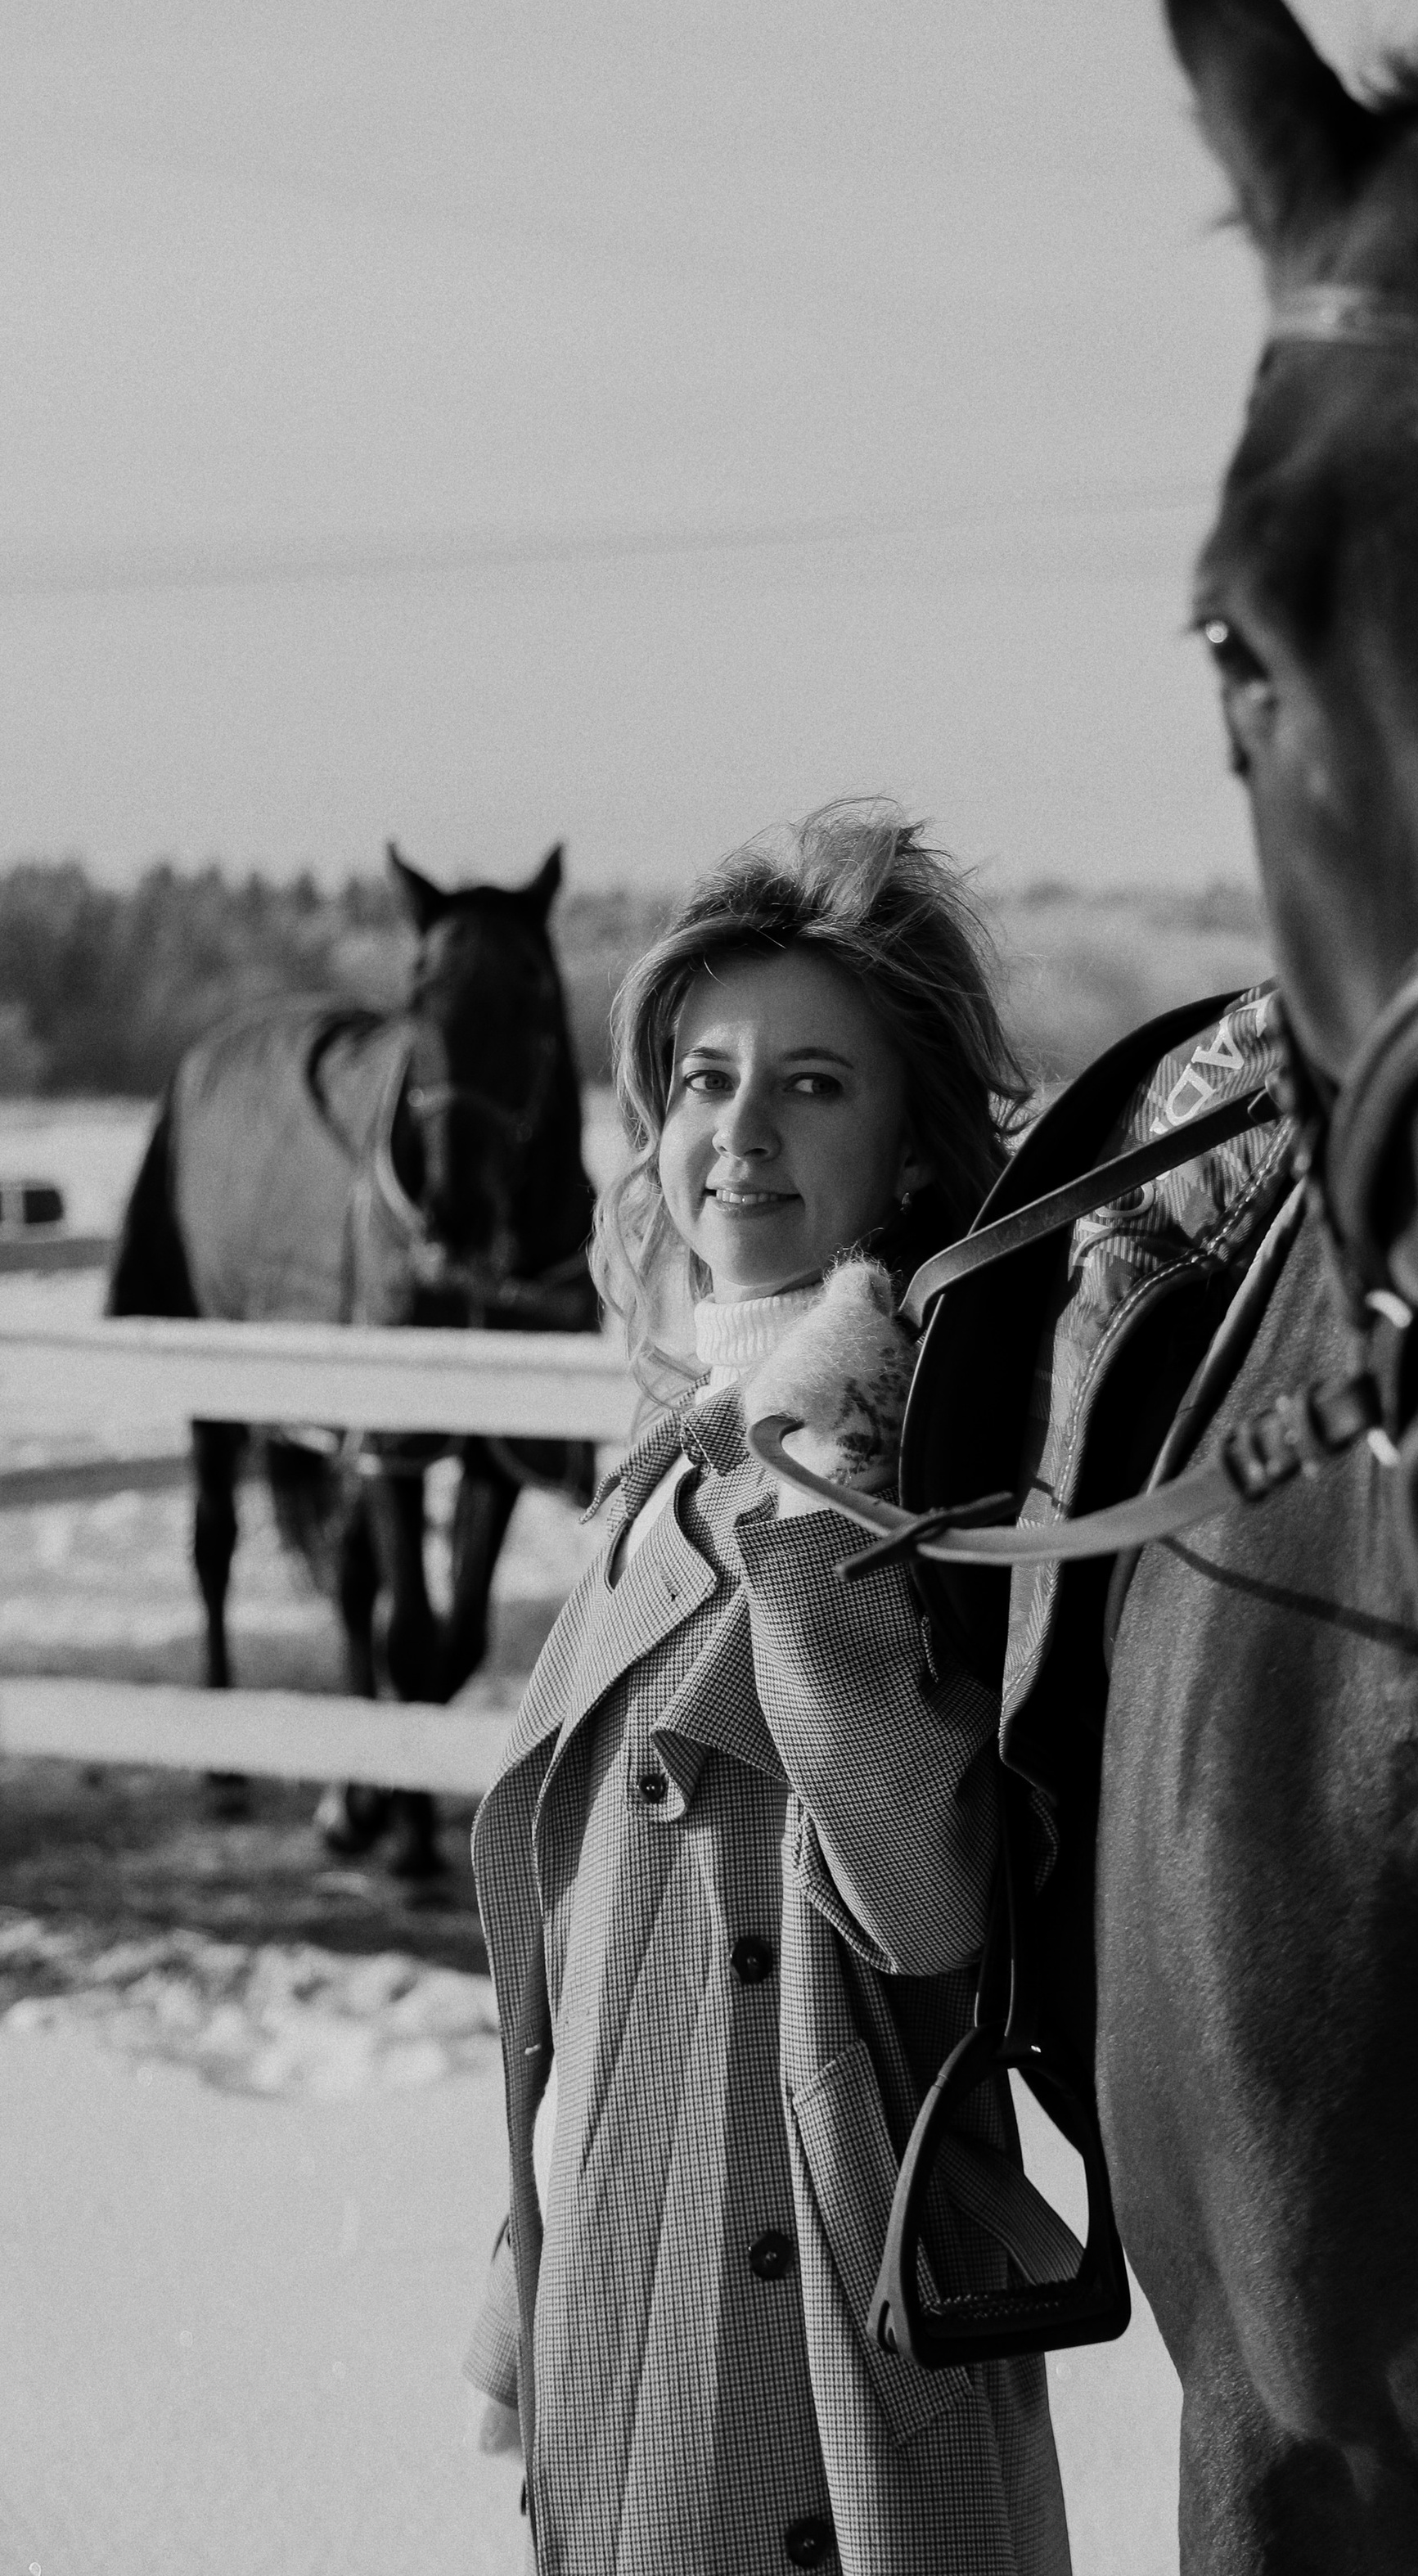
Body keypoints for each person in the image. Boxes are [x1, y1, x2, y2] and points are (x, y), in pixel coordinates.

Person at [462, 802, 1070, 2576]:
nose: (739, 1132)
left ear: (900, 1156)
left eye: (813, 1084)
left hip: (811, 2318)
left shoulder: (897, 1463)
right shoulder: (680, 1449)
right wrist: (535, 2253)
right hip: (638, 2284)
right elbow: (585, 1939)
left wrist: (817, 1496)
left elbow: (929, 1899)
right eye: (706, 1079)